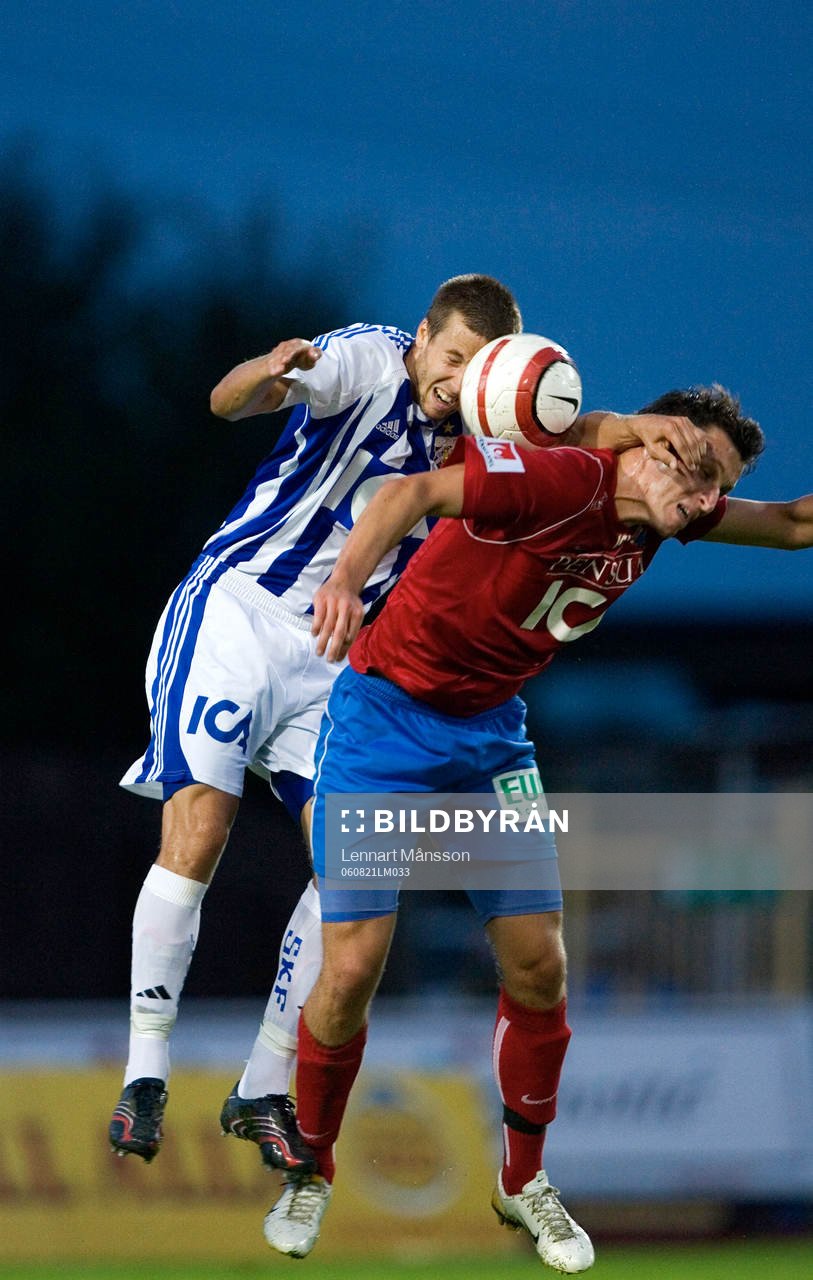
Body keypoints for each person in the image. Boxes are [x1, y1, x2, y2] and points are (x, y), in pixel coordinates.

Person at [107, 270, 709, 1169]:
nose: (454, 379)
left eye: (477, 370)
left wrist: (637, 429)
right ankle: (144, 1074)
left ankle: (262, 1087)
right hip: (238, 611)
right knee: (200, 828)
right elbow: (226, 401)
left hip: (330, 661)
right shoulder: (365, 359)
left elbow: (573, 434)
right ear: (421, 337)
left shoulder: (487, 422)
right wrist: (268, 370)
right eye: (450, 357)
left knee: (349, 871)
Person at [260, 386, 813, 1270]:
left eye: (722, 486)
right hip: (382, 726)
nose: (711, 500)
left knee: (539, 962)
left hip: (492, 743)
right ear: (657, 444)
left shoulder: (674, 516)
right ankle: (311, 1168)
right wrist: (344, 578)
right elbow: (411, 496)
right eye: (705, 472)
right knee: (354, 966)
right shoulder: (559, 481)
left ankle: (523, 1181)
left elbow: (792, 525)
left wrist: (725, 499)